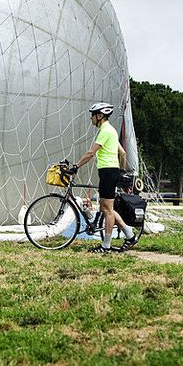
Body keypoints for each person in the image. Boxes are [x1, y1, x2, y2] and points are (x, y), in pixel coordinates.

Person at [68, 102, 137, 254]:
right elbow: (123, 153)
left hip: (108, 172)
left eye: (92, 115)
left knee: (107, 210)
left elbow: (90, 153)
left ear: (99, 116)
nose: (91, 118)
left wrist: (76, 166)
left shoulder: (105, 131)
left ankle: (106, 246)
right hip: (110, 172)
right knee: (107, 208)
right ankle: (130, 235)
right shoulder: (111, 131)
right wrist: (121, 171)